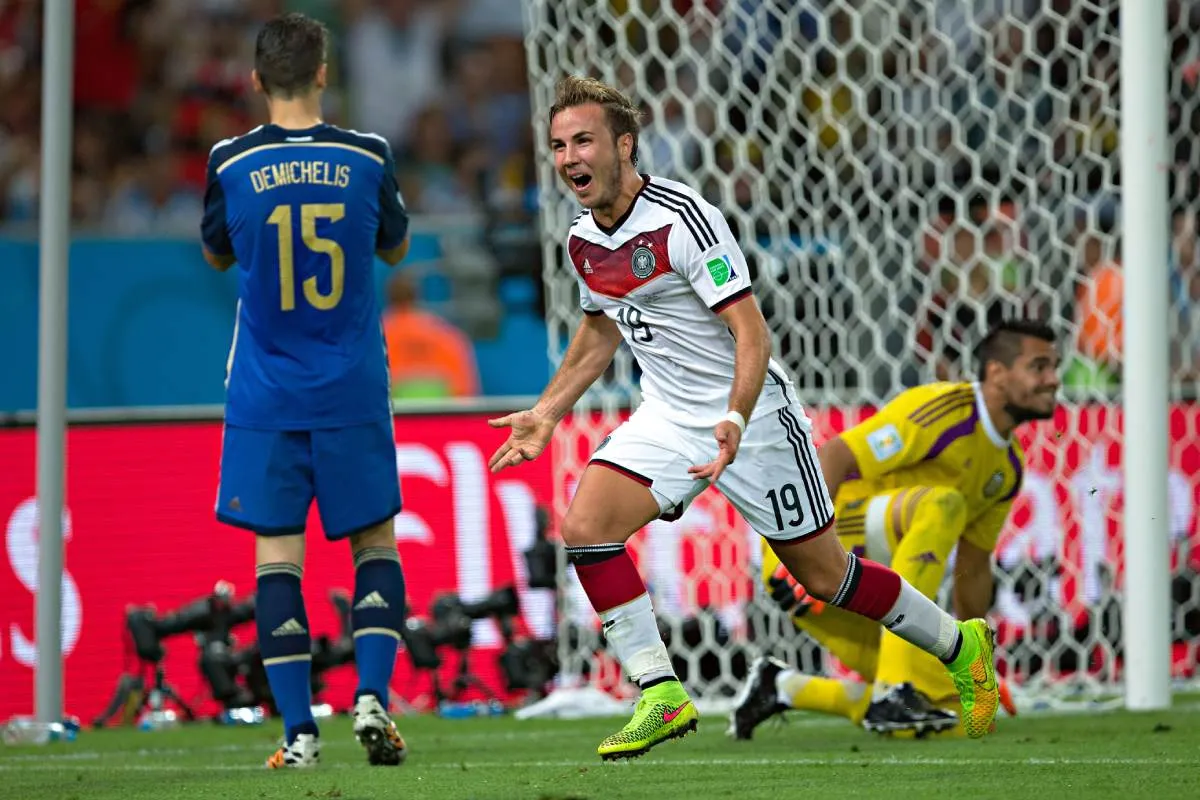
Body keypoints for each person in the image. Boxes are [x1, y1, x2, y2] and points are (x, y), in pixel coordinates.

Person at [488, 76, 1001, 761]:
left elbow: (751, 333)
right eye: (557, 145)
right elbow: (600, 332)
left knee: (825, 577)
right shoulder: (584, 239)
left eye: (583, 140)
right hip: (668, 416)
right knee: (586, 527)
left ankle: (959, 643)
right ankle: (660, 693)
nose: (568, 157)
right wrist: (548, 412)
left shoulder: (681, 218)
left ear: (624, 145)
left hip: (753, 417)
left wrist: (734, 417)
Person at [200, 13, 410, 770]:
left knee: (277, 560)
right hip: (351, 385)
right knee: (374, 545)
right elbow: (393, 244)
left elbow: (218, 256)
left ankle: (298, 734)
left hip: (266, 394)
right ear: (324, 73)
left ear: (256, 80)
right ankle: (373, 699)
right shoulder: (367, 155)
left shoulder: (229, 162)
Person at [729, 319, 1059, 739]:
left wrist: (978, 668)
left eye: (1055, 368)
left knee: (963, 721)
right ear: (996, 372)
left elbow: (973, 571)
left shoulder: (1007, 469)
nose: (1053, 380)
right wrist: (800, 553)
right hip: (810, 556)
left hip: (869, 593)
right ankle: (893, 688)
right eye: (1039, 367)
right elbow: (834, 457)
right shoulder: (944, 412)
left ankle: (786, 688)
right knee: (943, 503)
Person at [381, 271, 481, 400]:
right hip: (443, 417)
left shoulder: (376, 339)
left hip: (395, 417)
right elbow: (466, 391)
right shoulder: (448, 336)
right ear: (417, 295)